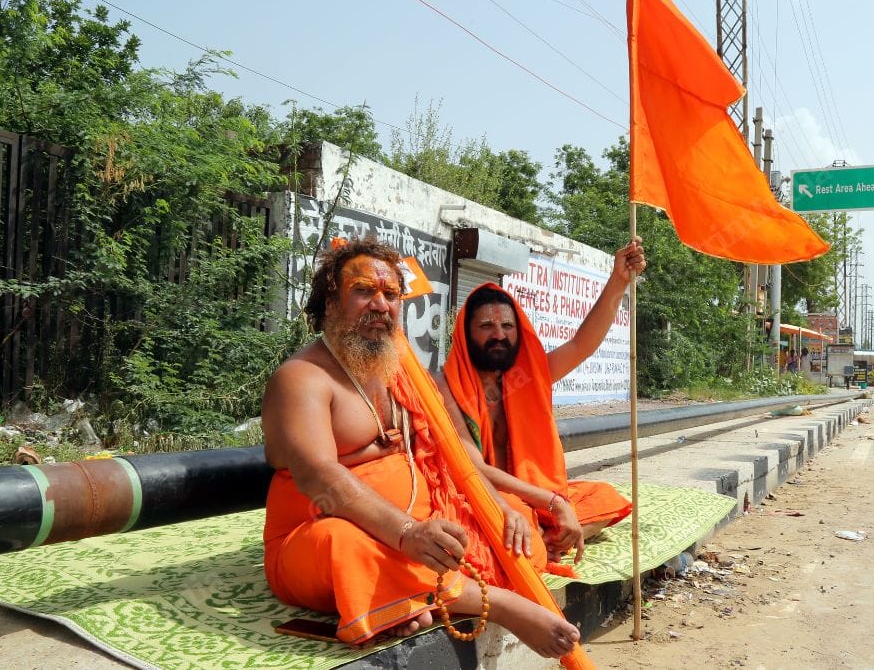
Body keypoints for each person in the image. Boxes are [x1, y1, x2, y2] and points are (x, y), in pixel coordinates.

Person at [260, 236, 579, 657]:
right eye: (363, 291)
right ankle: (495, 603)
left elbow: (453, 455)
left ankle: (404, 598)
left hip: (414, 522)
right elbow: (322, 479)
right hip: (319, 534)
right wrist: (406, 533)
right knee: (346, 546)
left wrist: (501, 505)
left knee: (514, 529)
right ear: (330, 302)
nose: (381, 305)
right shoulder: (301, 377)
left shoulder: (400, 372)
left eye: (391, 295)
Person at [438, 239, 646, 565]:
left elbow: (581, 345)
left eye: (507, 326)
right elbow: (473, 470)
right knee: (510, 518)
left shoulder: (529, 376)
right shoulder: (446, 386)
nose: (499, 334)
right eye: (486, 326)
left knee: (605, 498)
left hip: (534, 495)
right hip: (484, 496)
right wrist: (554, 504)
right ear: (466, 334)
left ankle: (545, 538)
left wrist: (618, 281)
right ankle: (540, 539)